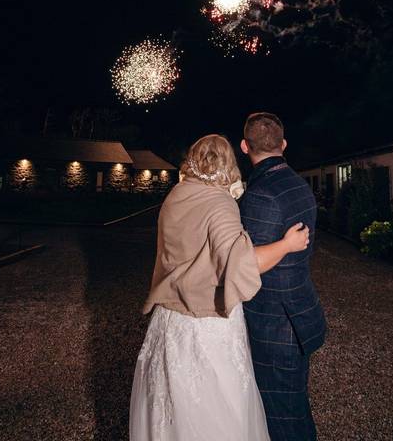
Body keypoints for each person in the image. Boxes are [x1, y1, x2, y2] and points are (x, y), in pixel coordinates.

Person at [129, 134, 310, 441]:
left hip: (169, 321)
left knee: (171, 408)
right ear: (229, 163)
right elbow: (238, 263)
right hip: (206, 325)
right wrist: (285, 245)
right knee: (216, 407)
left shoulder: (176, 194)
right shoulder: (220, 203)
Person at [239, 112, 326, 441]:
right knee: (293, 409)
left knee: (282, 419)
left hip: (276, 325)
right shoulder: (297, 183)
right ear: (284, 144)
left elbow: (249, 265)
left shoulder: (261, 194)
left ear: (245, 146)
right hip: (298, 311)